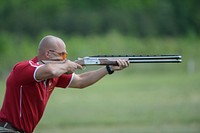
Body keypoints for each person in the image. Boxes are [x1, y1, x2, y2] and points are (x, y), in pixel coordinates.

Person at [0, 35, 129, 133]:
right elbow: (51, 70)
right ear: (48, 54)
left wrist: (108, 69)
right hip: (7, 129)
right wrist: (67, 65)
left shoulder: (53, 75)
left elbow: (81, 81)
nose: (65, 58)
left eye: (65, 55)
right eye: (62, 54)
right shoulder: (24, 68)